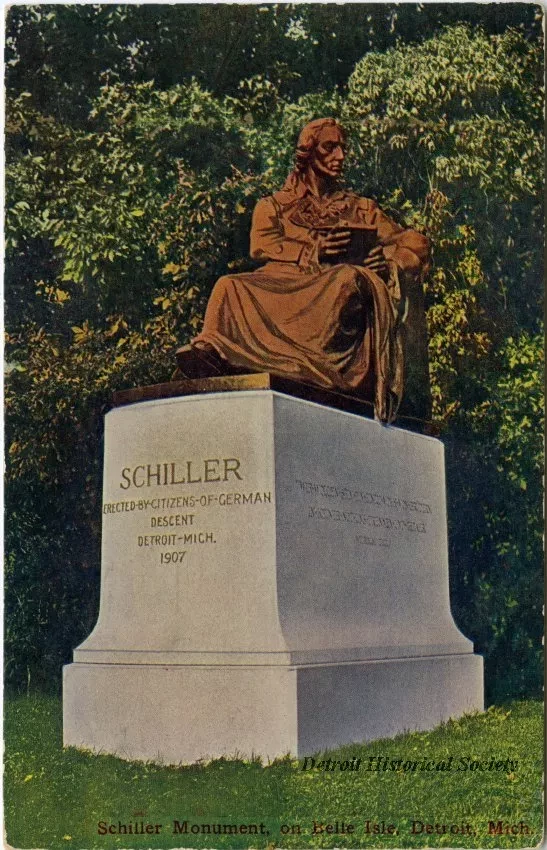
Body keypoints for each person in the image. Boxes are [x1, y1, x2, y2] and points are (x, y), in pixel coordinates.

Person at [176, 118, 430, 422]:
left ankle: (310, 366)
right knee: (228, 285)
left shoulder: (361, 208)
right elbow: (261, 244)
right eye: (330, 147)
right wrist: (315, 248)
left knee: (346, 279)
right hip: (285, 281)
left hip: (334, 284)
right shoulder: (275, 205)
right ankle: (213, 351)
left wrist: (387, 258)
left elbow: (416, 244)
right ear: (308, 152)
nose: (340, 157)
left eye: (342, 149)